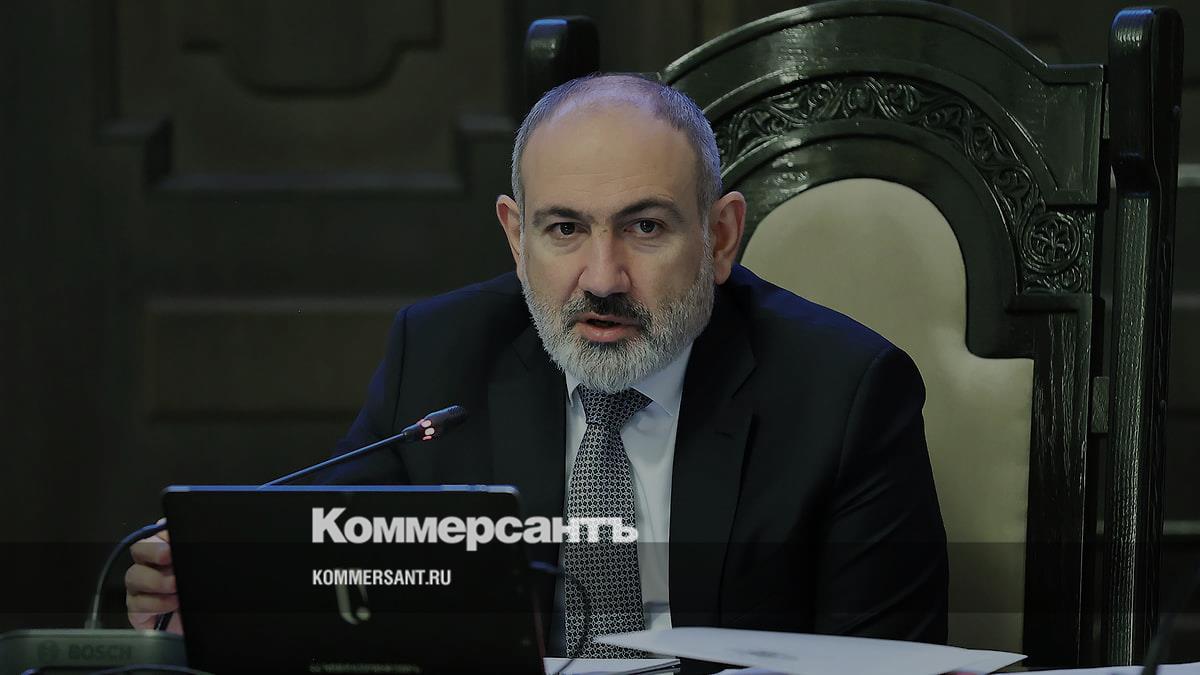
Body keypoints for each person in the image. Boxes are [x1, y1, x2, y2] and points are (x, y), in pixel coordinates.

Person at [126, 73, 948, 655]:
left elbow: (885, 660)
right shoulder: (439, 356)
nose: (602, 277)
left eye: (646, 227)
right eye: (564, 229)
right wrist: (220, 596)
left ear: (721, 235)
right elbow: (334, 569)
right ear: (516, 237)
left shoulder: (844, 392)